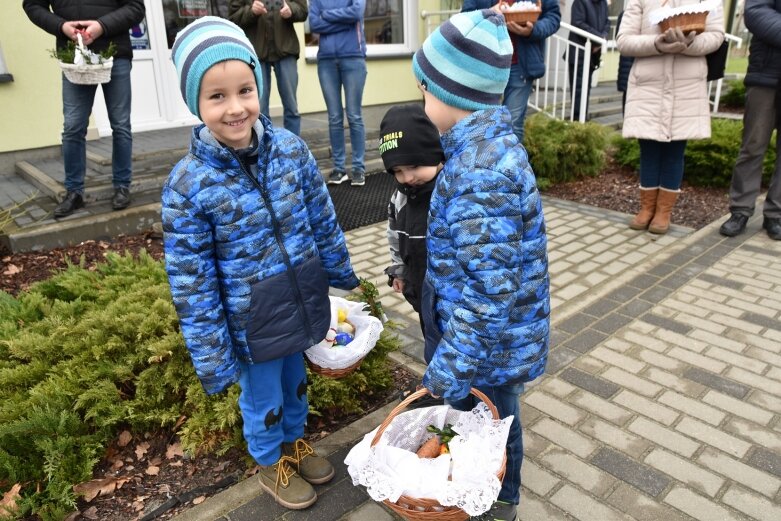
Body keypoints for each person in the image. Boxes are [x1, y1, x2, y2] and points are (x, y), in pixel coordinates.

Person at [163, 17, 359, 510]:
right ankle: (270, 461)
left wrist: (337, 272)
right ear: (195, 103)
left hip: (298, 300)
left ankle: (295, 443)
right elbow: (191, 282)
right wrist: (212, 353)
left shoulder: (291, 151)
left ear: (259, 85)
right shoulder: (188, 186)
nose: (236, 108)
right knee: (263, 398)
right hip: (251, 323)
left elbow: (321, 216)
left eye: (245, 89)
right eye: (217, 96)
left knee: (296, 385)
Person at [412, 9, 550, 521]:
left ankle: (500, 502)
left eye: (424, 88)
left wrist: (451, 366)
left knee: (493, 429)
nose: (422, 102)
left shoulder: (479, 173)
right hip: (493, 344)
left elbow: (488, 290)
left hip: (489, 349)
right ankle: (491, 494)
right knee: (495, 422)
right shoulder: (481, 151)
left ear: (450, 93)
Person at [23, 0, 145, 218]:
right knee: (72, 127)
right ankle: (74, 192)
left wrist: (101, 26)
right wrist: (61, 26)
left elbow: (136, 7)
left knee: (120, 125)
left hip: (115, 53)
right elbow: (33, 5)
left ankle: (122, 186)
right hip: (74, 56)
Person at [617, 0, 724, 234]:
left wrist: (688, 44)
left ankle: (664, 211)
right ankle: (646, 208)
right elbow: (624, 40)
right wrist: (657, 43)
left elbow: (716, 36)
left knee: (676, 151)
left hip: (685, 85)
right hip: (648, 84)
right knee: (649, 151)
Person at [719, 0, 781, 240]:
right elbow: (755, 12)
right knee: (753, 145)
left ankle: (775, 214)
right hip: (765, 75)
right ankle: (741, 210)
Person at [380, 104, 444, 332]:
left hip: (451, 300)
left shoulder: (451, 192)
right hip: (418, 287)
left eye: (414, 166)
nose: (406, 177)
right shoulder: (400, 198)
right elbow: (394, 235)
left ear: (435, 153)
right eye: (397, 170)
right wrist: (399, 269)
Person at [461, 0, 561, 143]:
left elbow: (553, 17)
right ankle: (482, 164)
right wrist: (488, 13)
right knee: (480, 124)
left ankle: (511, 165)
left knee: (513, 125)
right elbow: (465, 18)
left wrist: (533, 30)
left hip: (520, 65)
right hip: (485, 63)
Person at [308, 0, 368, 187]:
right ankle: (339, 168)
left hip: (353, 57)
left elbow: (357, 12)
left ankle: (358, 167)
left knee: (354, 115)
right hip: (326, 61)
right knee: (334, 117)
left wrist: (327, 15)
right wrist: (343, 20)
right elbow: (314, 24)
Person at [228, 0, 308, 136]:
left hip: (286, 51)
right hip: (256, 54)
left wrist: (291, 11)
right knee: (259, 110)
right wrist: (251, 11)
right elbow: (233, 17)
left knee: (291, 107)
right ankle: (264, 151)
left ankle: (294, 150)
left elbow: (303, 11)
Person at [566, 0, 609, 121]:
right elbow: (578, 23)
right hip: (578, 53)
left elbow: (607, 22)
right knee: (578, 88)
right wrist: (598, 39)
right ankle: (577, 118)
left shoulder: (603, 3)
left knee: (586, 88)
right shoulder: (580, 2)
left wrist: (601, 39)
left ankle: (583, 117)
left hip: (593, 54)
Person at [615, 10, 634, 114]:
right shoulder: (626, 15)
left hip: (632, 66)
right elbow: (620, 40)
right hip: (628, 66)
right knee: (627, 101)